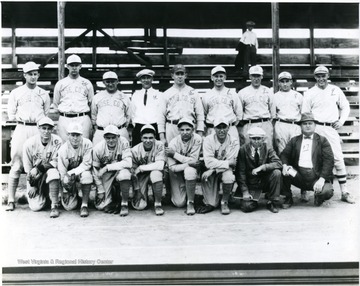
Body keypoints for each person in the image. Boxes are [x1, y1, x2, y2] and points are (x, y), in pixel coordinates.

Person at [302, 65, 355, 204]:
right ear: (315, 77)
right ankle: (308, 191)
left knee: (337, 158)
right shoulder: (309, 93)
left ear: (327, 76)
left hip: (330, 128)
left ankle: (345, 191)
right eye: (318, 76)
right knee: (311, 158)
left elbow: (345, 106)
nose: (321, 78)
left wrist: (341, 121)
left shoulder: (335, 90)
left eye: (323, 75)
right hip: (316, 128)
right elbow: (305, 114)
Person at [6, 61, 51, 211]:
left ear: (38, 75)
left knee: (38, 164)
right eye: (30, 74)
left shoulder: (43, 93)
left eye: (35, 74)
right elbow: (11, 114)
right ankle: (11, 199)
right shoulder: (16, 93)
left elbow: (45, 114)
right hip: (21, 127)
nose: (33, 77)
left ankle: (39, 196)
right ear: (24, 75)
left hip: (37, 129)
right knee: (17, 164)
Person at [280, 113, 335, 208]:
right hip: (298, 175)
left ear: (315, 125)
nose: (308, 126)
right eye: (305, 124)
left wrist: (322, 179)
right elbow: (284, 155)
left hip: (316, 176)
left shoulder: (322, 141)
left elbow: (329, 161)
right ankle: (288, 197)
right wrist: (285, 165)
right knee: (281, 172)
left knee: (327, 191)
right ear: (300, 126)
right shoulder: (294, 140)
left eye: (310, 123)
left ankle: (319, 196)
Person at [235, 126, 282, 213]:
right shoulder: (243, 150)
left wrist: (263, 167)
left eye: (259, 139)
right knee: (246, 207)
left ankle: (272, 202)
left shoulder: (268, 149)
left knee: (277, 172)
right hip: (251, 183)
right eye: (253, 139)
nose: (256, 141)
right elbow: (240, 172)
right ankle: (254, 201)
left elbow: (278, 163)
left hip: (264, 181)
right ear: (249, 139)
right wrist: (245, 191)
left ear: (263, 139)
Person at [22, 117, 62, 218]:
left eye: (49, 128)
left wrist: (41, 167)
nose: (46, 131)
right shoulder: (29, 143)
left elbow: (57, 161)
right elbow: (28, 168)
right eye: (44, 128)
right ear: (38, 128)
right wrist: (33, 185)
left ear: (52, 129)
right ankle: (47, 196)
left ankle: (54, 206)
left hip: (50, 172)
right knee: (36, 207)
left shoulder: (57, 141)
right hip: (35, 176)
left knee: (53, 172)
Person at [198, 117, 239, 215]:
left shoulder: (233, 141)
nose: (221, 130)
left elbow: (232, 163)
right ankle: (209, 196)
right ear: (214, 128)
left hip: (221, 170)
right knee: (211, 204)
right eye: (218, 127)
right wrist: (226, 163)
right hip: (209, 170)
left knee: (229, 176)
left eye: (224, 127)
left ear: (228, 128)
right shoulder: (208, 140)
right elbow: (209, 163)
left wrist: (214, 170)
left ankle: (225, 201)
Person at [158, 64, 205, 145]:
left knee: (190, 154)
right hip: (172, 126)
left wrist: (200, 134)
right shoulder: (166, 94)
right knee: (171, 154)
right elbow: (161, 116)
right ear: (172, 76)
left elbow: (200, 115)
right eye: (177, 74)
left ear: (185, 75)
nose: (180, 76)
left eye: (182, 74)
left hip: (189, 127)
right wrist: (162, 137)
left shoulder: (193, 92)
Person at [92, 125, 132, 216]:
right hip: (107, 174)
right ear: (104, 137)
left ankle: (124, 203)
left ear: (118, 136)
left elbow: (128, 163)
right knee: (100, 206)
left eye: (113, 137)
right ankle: (112, 198)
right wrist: (100, 190)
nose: (111, 140)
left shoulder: (124, 142)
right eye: (108, 138)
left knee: (125, 175)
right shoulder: (98, 148)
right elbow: (95, 171)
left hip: (120, 170)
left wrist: (107, 167)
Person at [165, 118, 202, 215]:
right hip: (176, 172)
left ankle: (191, 202)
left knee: (189, 171)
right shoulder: (173, 142)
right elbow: (172, 167)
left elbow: (195, 161)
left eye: (188, 129)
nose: (185, 132)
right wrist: (188, 163)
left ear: (193, 130)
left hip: (192, 170)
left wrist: (175, 155)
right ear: (178, 131)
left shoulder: (197, 139)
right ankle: (187, 192)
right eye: (182, 130)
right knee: (179, 203)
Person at [53, 54, 94, 141]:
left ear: (80, 66)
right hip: (65, 118)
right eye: (72, 65)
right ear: (67, 66)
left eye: (76, 65)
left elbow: (91, 103)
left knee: (83, 145)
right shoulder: (61, 83)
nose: (74, 67)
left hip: (82, 118)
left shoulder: (86, 83)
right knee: (64, 146)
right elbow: (56, 103)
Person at [57, 122, 93, 217]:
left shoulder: (87, 143)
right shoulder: (63, 149)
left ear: (81, 135)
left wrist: (72, 172)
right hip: (69, 178)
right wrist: (65, 190)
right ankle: (74, 195)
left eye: (77, 135)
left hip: (80, 172)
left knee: (87, 175)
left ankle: (84, 205)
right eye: (73, 135)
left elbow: (87, 164)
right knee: (69, 207)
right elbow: (62, 171)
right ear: (68, 135)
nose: (75, 138)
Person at [131, 125, 166, 215]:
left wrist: (141, 167)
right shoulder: (135, 150)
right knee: (140, 206)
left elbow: (160, 165)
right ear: (141, 138)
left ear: (154, 137)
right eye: (145, 138)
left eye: (151, 138)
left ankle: (158, 203)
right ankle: (144, 195)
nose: (148, 140)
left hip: (155, 173)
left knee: (156, 175)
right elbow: (133, 173)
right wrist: (137, 190)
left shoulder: (159, 145)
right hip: (141, 177)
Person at [201, 66, 243, 140]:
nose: (219, 79)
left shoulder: (232, 93)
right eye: (216, 76)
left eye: (221, 76)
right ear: (212, 78)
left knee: (231, 150)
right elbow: (203, 114)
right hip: (213, 129)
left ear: (225, 77)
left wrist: (231, 125)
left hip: (230, 129)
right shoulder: (206, 95)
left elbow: (239, 114)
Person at [238, 65, 274, 148]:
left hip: (264, 123)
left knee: (267, 149)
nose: (256, 79)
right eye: (254, 76)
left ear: (262, 76)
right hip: (249, 124)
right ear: (250, 76)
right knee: (249, 150)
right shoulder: (242, 92)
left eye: (258, 76)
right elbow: (240, 112)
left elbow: (272, 111)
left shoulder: (268, 91)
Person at [91, 71, 130, 146]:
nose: (110, 84)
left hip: (119, 131)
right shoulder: (97, 97)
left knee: (121, 155)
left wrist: (122, 126)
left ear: (117, 81)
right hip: (101, 132)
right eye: (108, 81)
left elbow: (128, 116)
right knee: (98, 154)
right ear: (103, 82)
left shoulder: (124, 97)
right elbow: (93, 115)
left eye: (113, 81)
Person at [130, 69, 162, 146]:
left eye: (148, 78)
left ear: (152, 79)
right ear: (140, 80)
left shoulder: (159, 94)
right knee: (137, 151)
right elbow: (132, 112)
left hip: (154, 126)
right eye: (143, 78)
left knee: (155, 151)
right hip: (139, 126)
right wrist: (137, 124)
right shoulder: (135, 95)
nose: (146, 80)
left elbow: (161, 112)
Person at [272, 71, 303, 154]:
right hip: (281, 124)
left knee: (296, 149)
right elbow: (273, 114)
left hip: (295, 125)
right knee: (282, 150)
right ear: (279, 83)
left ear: (291, 82)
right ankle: (284, 167)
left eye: (287, 81)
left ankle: (293, 167)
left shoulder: (298, 95)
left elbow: (303, 112)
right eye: (282, 82)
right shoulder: (275, 96)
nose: (285, 84)